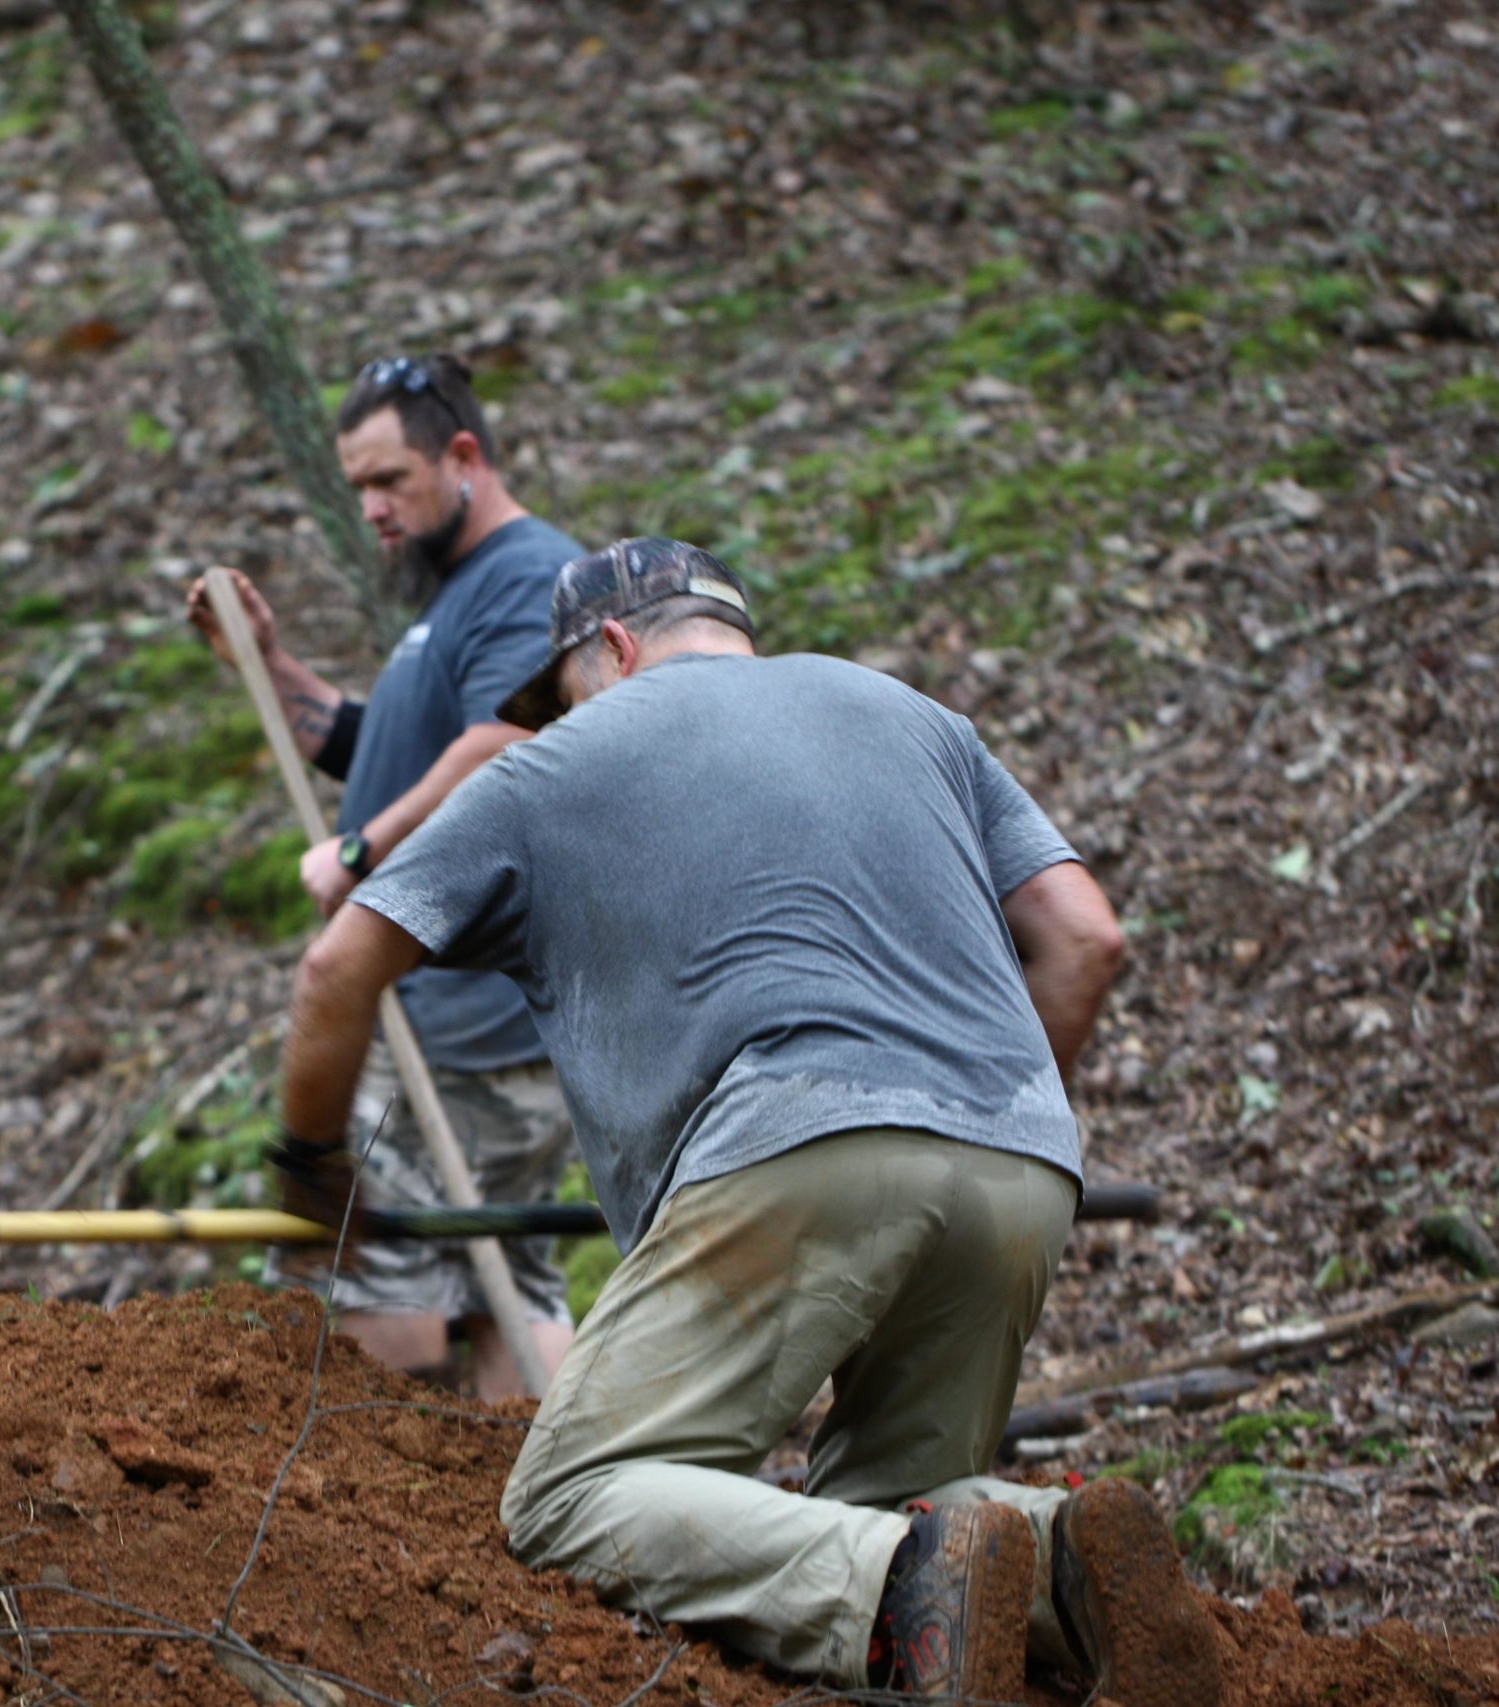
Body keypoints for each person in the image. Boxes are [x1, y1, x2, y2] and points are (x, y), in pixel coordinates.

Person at [266, 537, 1230, 1701]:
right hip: (1022, 1160)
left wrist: (310, 1162)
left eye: (558, 690)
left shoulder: (548, 768)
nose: (552, 716)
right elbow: (1086, 938)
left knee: (573, 1491)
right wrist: (975, 1111)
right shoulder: (911, 718)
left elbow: (335, 972)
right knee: (904, 1504)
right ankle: (1067, 1564)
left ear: (609, 650)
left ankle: (897, 1589)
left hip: (795, 1133)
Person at [184, 353, 580, 1398]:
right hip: (488, 1036)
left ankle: (389, 1539)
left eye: (388, 480)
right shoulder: (457, 601)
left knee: (372, 1282)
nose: (371, 508)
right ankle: (540, 1541)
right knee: (507, 1281)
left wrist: (363, 852)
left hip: (457, 1037)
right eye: (355, 486)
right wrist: (267, 668)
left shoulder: (525, 575)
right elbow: (384, 754)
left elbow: (509, 743)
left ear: (463, 457)